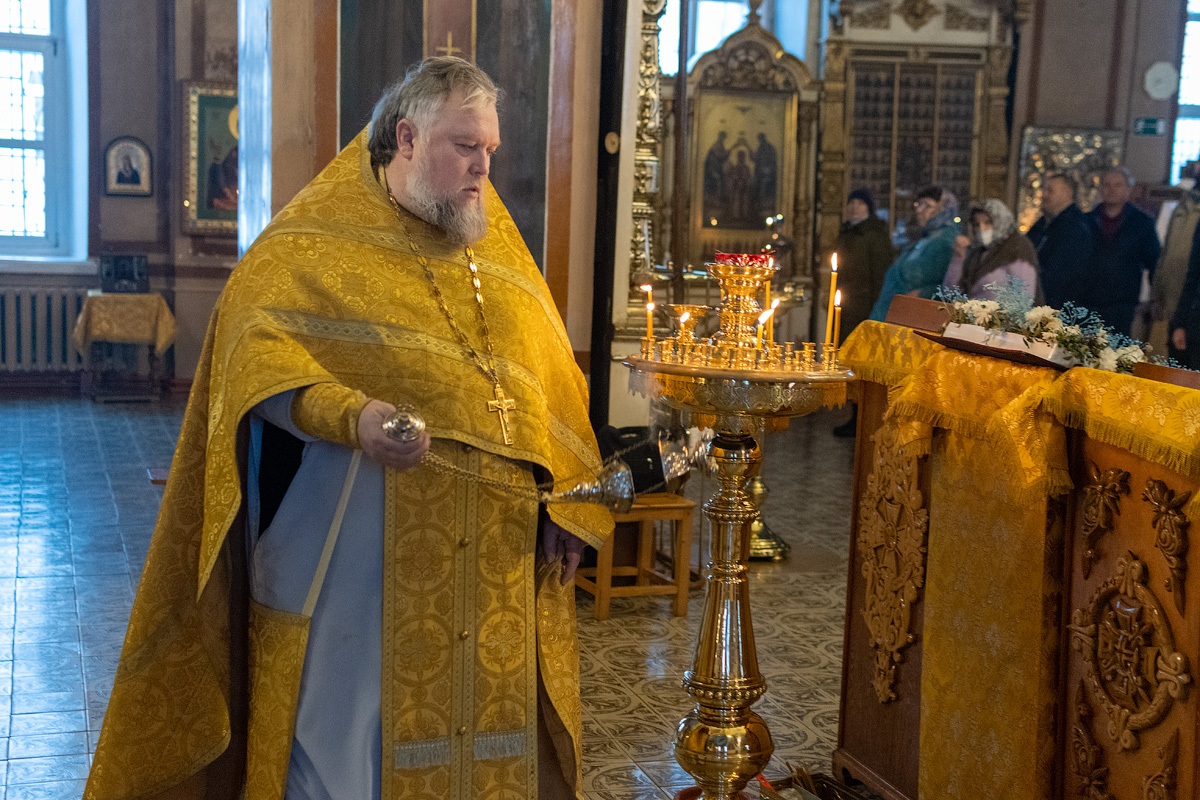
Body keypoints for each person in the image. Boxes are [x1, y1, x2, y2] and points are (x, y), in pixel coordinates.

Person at [85, 57, 612, 800]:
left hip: (492, 567)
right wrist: (352, 416)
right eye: (465, 146)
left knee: (484, 738)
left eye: (490, 149)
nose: (482, 168)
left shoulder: (494, 247)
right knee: (344, 741)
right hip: (354, 551)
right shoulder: (313, 240)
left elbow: (550, 388)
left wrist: (569, 499)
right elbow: (252, 360)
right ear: (406, 136)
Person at [832, 188, 892, 438]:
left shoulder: (874, 235)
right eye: (851, 202)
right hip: (847, 307)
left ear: (869, 208)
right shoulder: (847, 232)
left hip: (866, 309)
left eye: (860, 203)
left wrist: (877, 310)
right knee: (849, 362)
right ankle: (854, 414)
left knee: (863, 362)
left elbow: (880, 274)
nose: (854, 207)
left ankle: (862, 417)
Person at [1079, 167, 1161, 335]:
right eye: (1107, 185)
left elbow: (1154, 263)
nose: (1111, 190)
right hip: (1085, 301)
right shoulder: (1085, 222)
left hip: (1121, 305)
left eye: (1117, 185)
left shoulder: (1142, 223)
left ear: (1128, 189)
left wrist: (1156, 298)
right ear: (1101, 188)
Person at [868, 185, 959, 321]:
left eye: (927, 206)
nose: (919, 210)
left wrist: (923, 293)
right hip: (892, 313)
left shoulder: (949, 241)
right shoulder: (925, 239)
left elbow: (952, 284)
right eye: (918, 204)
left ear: (943, 209)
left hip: (914, 316)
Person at [943, 198, 1040, 301]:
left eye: (988, 223)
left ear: (1001, 221)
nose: (981, 229)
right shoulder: (978, 253)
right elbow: (950, 294)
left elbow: (1025, 297)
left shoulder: (1017, 247)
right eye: (977, 224)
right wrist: (958, 259)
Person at [1151, 162, 1200, 360]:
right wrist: (1157, 293)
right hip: (1173, 301)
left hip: (1192, 306)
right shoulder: (1182, 205)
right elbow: (1165, 253)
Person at [1026, 172, 1093, 309]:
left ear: (1067, 193)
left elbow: (1058, 275)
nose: (1043, 195)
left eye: (1050, 191)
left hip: (1058, 307)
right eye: (1044, 190)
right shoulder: (1045, 222)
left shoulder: (1075, 228)